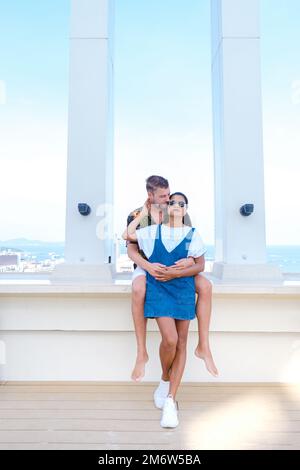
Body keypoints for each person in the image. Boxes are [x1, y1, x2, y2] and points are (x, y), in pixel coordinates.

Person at [124, 175, 218, 381]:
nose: (168, 199)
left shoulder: (177, 211)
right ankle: (141, 352)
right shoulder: (137, 215)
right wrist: (149, 267)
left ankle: (204, 345)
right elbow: (132, 250)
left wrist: (190, 262)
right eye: (163, 196)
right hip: (147, 264)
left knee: (206, 286)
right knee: (139, 289)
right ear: (150, 195)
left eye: (169, 194)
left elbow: (189, 244)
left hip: (175, 265)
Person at [125, 192, 205, 428]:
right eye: (173, 202)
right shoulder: (152, 232)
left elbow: (200, 265)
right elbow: (128, 236)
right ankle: (164, 377)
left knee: (181, 343)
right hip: (159, 289)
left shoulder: (193, 234)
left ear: (186, 209)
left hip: (183, 290)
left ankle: (170, 400)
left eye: (182, 203)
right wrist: (144, 210)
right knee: (169, 340)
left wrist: (183, 268)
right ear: (167, 207)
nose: (177, 206)